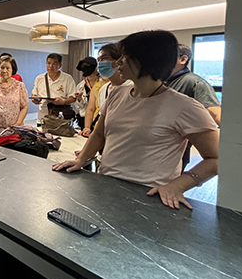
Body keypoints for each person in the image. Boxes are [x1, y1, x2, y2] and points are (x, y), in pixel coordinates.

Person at [53, 30, 219, 210]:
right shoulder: (116, 94)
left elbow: (216, 158)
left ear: (146, 60)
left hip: (150, 196)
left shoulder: (184, 106)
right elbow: (100, 133)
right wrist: (81, 159)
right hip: (107, 185)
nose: (118, 62)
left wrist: (178, 185)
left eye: (125, 56)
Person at [166, 44, 221, 125]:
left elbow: (217, 116)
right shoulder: (158, 81)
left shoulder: (196, 83)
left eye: (167, 57)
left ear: (183, 59)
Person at [0, 57, 29, 138]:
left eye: (7, 68)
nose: (4, 70)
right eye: (2, 67)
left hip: (13, 130)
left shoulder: (19, 86)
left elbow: (24, 106)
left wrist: (18, 123)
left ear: (13, 69)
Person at [31, 53, 76, 124]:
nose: (50, 66)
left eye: (54, 64)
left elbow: (73, 98)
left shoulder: (67, 78)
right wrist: (35, 99)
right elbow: (34, 95)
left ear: (60, 65)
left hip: (61, 119)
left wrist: (63, 102)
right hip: (43, 118)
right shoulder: (39, 78)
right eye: (48, 63)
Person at [72, 57, 106, 131]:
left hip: (101, 118)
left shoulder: (103, 83)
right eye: (83, 66)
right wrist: (79, 100)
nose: (86, 68)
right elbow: (82, 108)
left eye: (88, 65)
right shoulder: (81, 86)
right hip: (85, 119)